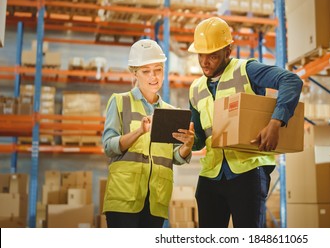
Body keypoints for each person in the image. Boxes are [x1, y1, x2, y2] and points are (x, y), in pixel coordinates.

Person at [188, 17, 303, 228]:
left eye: (212, 55)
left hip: (248, 171)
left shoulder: (247, 70)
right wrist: (188, 142)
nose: (205, 62)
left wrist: (276, 122)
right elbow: (200, 140)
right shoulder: (195, 88)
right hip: (211, 174)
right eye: (201, 55)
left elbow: (291, 81)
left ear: (228, 51)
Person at [102, 39, 195, 228]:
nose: (153, 76)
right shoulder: (120, 102)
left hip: (155, 200)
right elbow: (109, 147)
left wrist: (186, 146)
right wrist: (139, 131)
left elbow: (175, 158)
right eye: (146, 71)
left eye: (158, 69)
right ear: (134, 72)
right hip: (124, 199)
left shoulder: (170, 111)